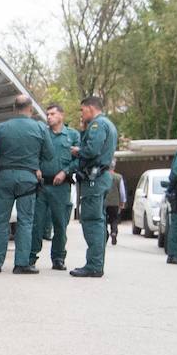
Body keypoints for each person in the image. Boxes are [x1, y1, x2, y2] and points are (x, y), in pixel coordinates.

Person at [0, 95, 54, 274]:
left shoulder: (1, 128)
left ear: (14, 108)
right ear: (30, 109)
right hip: (28, 180)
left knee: (0, 221)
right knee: (25, 221)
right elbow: (50, 154)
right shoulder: (39, 128)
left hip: (5, 177)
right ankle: (21, 264)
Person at [70, 96, 119, 278]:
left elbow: (92, 150)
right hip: (101, 177)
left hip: (94, 178)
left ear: (90, 108)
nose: (82, 115)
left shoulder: (97, 125)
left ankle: (94, 265)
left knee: (92, 221)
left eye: (82, 110)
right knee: (98, 220)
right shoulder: (109, 124)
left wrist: (77, 151)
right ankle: (95, 264)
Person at [32, 104, 79, 270]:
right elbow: (33, 153)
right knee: (37, 223)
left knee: (60, 223)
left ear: (61, 115)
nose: (49, 117)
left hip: (61, 186)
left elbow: (80, 158)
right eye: (47, 114)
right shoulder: (42, 133)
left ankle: (58, 257)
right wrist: (36, 167)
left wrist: (66, 172)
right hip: (42, 184)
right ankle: (31, 257)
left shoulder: (72, 135)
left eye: (52, 114)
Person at [104, 161, 126, 245]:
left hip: (104, 202)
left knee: (104, 220)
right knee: (114, 219)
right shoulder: (118, 177)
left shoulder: (103, 177)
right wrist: (122, 201)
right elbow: (122, 191)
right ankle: (113, 232)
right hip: (115, 203)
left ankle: (105, 235)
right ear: (114, 167)